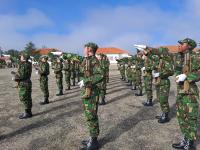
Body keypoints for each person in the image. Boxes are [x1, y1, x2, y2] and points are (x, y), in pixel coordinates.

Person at [79, 42, 103, 150]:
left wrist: (86, 81)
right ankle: (92, 138)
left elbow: (100, 75)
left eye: (85, 48)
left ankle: (94, 142)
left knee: (92, 116)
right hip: (87, 92)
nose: (83, 49)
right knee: (89, 116)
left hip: (92, 93)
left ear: (89, 49)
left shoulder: (94, 60)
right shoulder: (87, 60)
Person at [13, 53, 32, 119]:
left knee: (24, 98)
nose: (20, 57)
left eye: (21, 56)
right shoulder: (27, 63)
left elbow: (22, 75)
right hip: (26, 82)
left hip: (24, 83)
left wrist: (15, 77)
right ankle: (28, 112)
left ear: (24, 57)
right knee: (28, 97)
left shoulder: (25, 65)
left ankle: (27, 113)